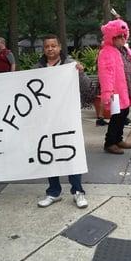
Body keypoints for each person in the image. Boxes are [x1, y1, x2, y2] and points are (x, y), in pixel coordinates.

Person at [34, 35, 91, 209]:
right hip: (47, 119)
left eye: (53, 46)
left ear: (59, 47)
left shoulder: (69, 65)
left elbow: (87, 87)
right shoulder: (38, 68)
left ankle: (77, 191)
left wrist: (80, 73)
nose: (50, 49)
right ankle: (53, 192)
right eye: (46, 46)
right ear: (44, 50)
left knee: (71, 152)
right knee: (50, 154)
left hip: (68, 118)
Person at [98, 19, 131, 154]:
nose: (122, 39)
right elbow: (105, 73)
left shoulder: (125, 50)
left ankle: (118, 139)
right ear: (111, 38)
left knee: (123, 114)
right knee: (116, 117)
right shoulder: (107, 52)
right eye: (119, 37)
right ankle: (110, 142)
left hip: (126, 89)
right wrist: (108, 91)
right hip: (116, 91)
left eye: (123, 36)